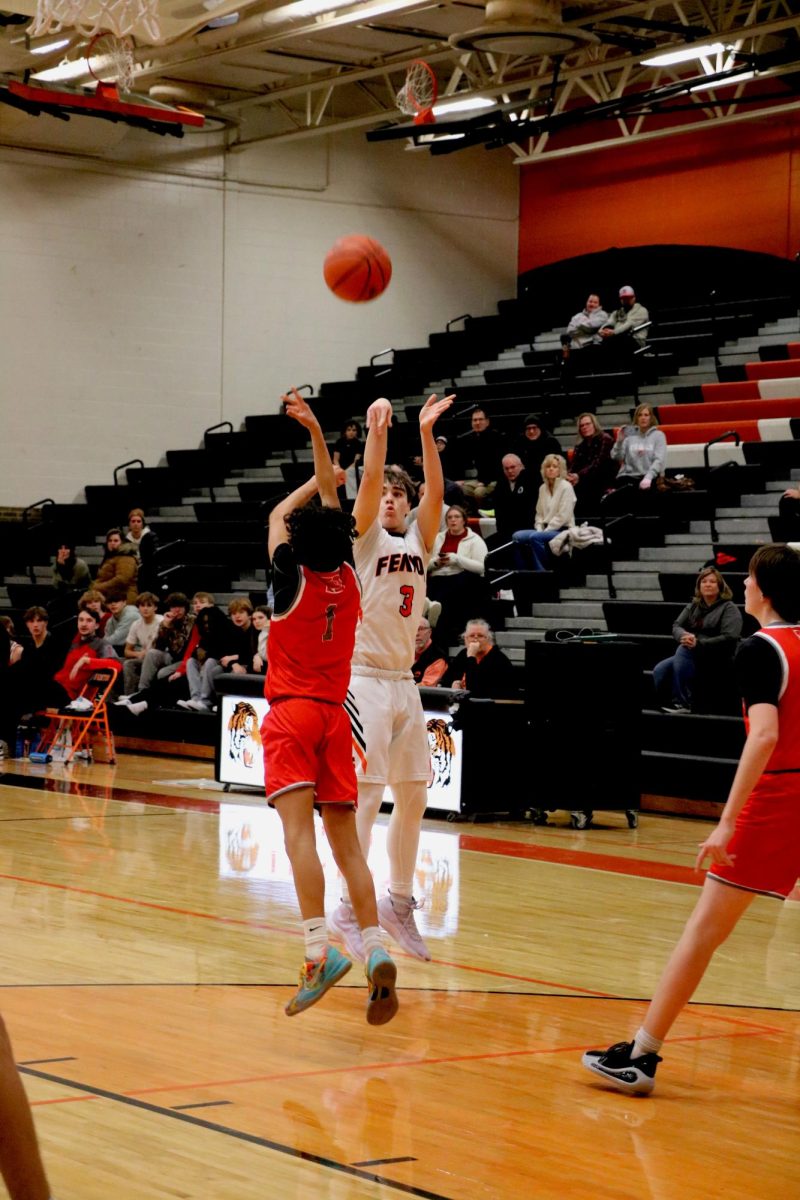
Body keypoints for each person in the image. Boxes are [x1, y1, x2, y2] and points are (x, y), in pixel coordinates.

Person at [583, 544, 800, 1095]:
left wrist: (727, 820)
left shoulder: (759, 648)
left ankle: (643, 1054)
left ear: (765, 588)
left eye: (748, 577)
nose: (742, 585)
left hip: (777, 798)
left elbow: (767, 736)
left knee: (701, 934)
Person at [263, 387, 398, 1023]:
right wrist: (319, 440)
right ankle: (373, 947)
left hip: (291, 713)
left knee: (297, 837)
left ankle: (320, 952)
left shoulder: (289, 576)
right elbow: (332, 502)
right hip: (337, 718)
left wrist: (306, 480)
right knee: (348, 846)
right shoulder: (347, 576)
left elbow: (277, 516)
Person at [329, 391, 454, 964]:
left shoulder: (420, 541)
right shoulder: (364, 538)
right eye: (386, 494)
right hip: (364, 680)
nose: (392, 500)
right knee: (368, 793)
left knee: (415, 795)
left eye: (399, 495)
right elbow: (372, 477)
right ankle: (350, 907)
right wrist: (378, 435)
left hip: (404, 681)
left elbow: (438, 492)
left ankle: (398, 902)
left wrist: (426, 433)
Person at [654, 567, 743, 714]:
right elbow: (676, 625)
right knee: (661, 670)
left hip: (720, 654)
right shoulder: (694, 605)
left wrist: (699, 643)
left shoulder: (729, 607)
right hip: (695, 651)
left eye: (712, 582)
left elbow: (730, 637)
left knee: (684, 649)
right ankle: (669, 703)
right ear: (699, 586)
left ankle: (686, 703)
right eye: (704, 581)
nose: (707, 584)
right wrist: (684, 635)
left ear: (720, 586)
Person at [427, 505, 489, 650]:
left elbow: (482, 567)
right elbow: (424, 565)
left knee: (449, 594)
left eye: (456, 517)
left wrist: (457, 559)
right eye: (449, 517)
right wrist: (436, 562)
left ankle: (443, 639)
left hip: (461, 578)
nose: (453, 520)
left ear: (464, 520)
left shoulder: (474, 540)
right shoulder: (438, 538)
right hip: (438, 575)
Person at [512, 455, 576, 571]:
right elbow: (539, 513)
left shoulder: (566, 487)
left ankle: (543, 572)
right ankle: (522, 573)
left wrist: (545, 530)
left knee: (535, 537)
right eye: (548, 466)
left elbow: (563, 517)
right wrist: (539, 527)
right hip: (544, 529)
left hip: (562, 529)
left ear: (560, 470)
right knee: (517, 536)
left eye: (555, 467)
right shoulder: (542, 488)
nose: (551, 469)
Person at [51, 605, 119, 705]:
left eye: (89, 620)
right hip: (59, 688)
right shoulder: (74, 644)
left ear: (97, 625)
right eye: (81, 620)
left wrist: (86, 661)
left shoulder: (101, 644)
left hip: (76, 698)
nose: (83, 624)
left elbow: (117, 664)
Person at [440, 619, 517, 698]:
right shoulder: (463, 654)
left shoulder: (499, 660)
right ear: (465, 639)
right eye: (471, 636)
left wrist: (471, 657)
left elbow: (475, 689)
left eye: (480, 636)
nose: (475, 639)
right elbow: (446, 681)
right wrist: (453, 684)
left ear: (488, 639)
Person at [177, 603, 230, 712]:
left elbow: (222, 652)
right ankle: (195, 698)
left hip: (223, 664)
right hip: (210, 662)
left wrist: (206, 654)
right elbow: (197, 652)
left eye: (208, 622)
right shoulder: (206, 634)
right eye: (204, 623)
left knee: (210, 661)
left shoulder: (226, 630)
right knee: (191, 661)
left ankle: (205, 701)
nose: (206, 626)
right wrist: (199, 653)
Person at [607, 403, 667, 499]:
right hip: (627, 476)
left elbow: (659, 460)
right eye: (640, 415)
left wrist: (648, 477)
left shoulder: (658, 435)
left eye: (646, 415)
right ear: (636, 418)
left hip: (647, 476)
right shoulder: (629, 434)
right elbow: (616, 457)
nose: (643, 418)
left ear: (651, 417)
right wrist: (619, 442)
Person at [566, 413, 616, 513]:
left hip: (604, 479)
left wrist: (578, 476)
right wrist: (569, 476)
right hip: (585, 480)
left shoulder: (605, 439)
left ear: (594, 424)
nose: (585, 427)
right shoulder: (580, 446)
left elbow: (598, 464)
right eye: (582, 426)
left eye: (587, 424)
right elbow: (574, 465)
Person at [456, 407, 505, 504]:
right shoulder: (471, 440)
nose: (477, 422)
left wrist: (484, 482)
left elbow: (497, 466)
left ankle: (483, 514)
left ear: (487, 422)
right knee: (457, 488)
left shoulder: (496, 438)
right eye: (475, 420)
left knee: (479, 492)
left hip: (495, 480)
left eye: (480, 419)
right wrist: (461, 480)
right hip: (479, 480)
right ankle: (468, 513)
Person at [122, 591, 163, 695]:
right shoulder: (136, 624)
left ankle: (141, 693)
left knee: (150, 656)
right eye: (142, 605)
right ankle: (129, 695)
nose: (145, 608)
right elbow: (127, 651)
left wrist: (146, 653)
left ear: (155, 608)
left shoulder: (161, 621)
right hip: (144, 657)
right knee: (127, 663)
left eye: (149, 605)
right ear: (138, 608)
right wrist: (138, 654)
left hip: (160, 657)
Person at [492, 454, 537, 541]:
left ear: (521, 466)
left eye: (513, 467)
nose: (510, 471)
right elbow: (499, 512)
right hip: (505, 532)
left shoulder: (531, 481)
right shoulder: (501, 484)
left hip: (526, 530)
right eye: (506, 468)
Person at [94, 528, 139, 605]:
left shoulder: (126, 557)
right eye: (110, 541)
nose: (112, 543)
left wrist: (99, 587)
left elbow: (122, 580)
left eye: (116, 541)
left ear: (122, 542)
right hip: (111, 597)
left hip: (124, 598)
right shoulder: (111, 557)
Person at [599, 285, 650, 351]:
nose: (626, 300)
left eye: (629, 298)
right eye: (624, 298)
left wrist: (613, 332)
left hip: (636, 343)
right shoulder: (617, 312)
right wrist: (602, 330)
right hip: (616, 340)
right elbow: (609, 322)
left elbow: (628, 325)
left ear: (634, 298)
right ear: (621, 300)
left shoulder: (641, 310)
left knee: (616, 340)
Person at [50, 541, 91, 621]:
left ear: (71, 550)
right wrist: (60, 566)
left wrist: (62, 568)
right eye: (60, 548)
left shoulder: (80, 565)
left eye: (66, 548)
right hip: (65, 595)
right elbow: (56, 584)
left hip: (81, 594)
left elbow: (72, 583)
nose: (63, 551)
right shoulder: (55, 566)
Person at [125, 509, 159, 595]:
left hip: (147, 572)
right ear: (129, 524)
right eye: (133, 521)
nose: (136, 524)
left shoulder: (151, 537)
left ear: (142, 523)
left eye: (138, 521)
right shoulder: (125, 540)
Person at [517, 415, 562, 480]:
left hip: (547, 479)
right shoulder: (520, 443)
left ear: (540, 428)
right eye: (528, 428)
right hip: (526, 479)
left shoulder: (551, 442)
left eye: (534, 428)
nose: (531, 431)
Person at [412, 617, 448, 687]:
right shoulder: (406, 653)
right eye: (413, 629)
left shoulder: (437, 658)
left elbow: (426, 687)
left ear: (429, 632)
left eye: (421, 629)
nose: (416, 633)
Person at [252, 604, 271, 675]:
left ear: (269, 618)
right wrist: (257, 656)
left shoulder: (274, 632)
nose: (256, 621)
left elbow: (266, 656)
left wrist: (257, 656)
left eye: (260, 617)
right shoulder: (261, 633)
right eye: (254, 619)